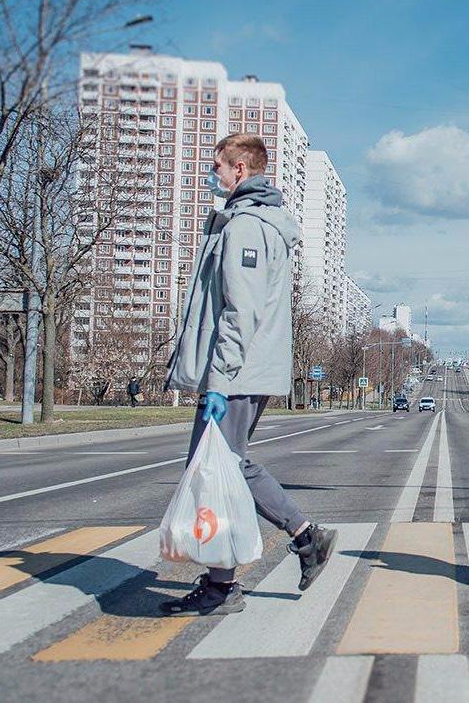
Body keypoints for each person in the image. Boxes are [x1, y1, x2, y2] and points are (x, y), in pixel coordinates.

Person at [161, 133, 337, 616]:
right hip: (243, 371)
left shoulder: (246, 227)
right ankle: (227, 581)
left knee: (223, 466)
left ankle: (303, 537)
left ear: (240, 169)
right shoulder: (252, 224)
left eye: (217, 166)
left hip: (236, 374)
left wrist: (218, 380)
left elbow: (241, 310)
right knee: (223, 466)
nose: (211, 175)